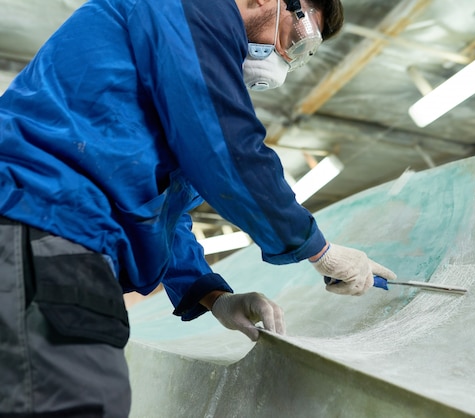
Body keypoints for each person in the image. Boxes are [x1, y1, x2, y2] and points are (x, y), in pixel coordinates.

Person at [0, 0, 396, 416]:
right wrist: (319, 250)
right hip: (42, 221)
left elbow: (162, 208)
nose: (285, 58)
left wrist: (210, 294)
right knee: (76, 402)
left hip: (47, 230)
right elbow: (226, 148)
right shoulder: (191, 8)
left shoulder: (172, 54)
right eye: (295, 40)